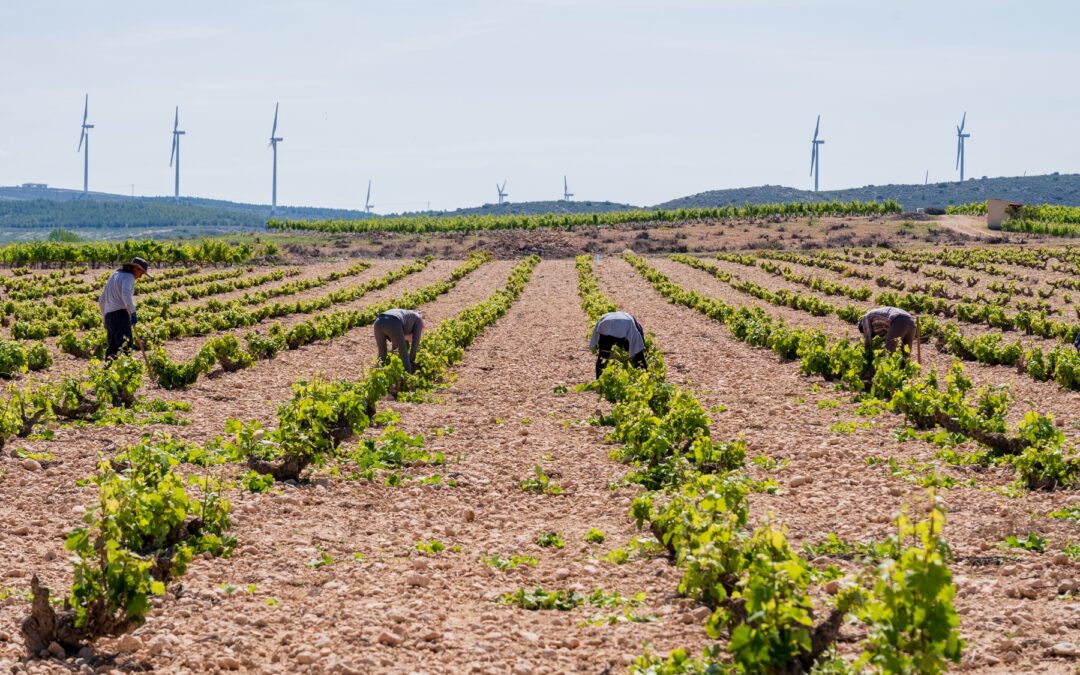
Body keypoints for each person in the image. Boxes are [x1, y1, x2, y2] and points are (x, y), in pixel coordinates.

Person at [98, 257, 150, 359]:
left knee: (112, 349)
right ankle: (127, 373)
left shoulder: (114, 275)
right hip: (120, 315)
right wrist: (133, 312)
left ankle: (108, 373)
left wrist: (105, 318)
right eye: (142, 273)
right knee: (125, 347)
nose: (141, 276)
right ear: (135, 268)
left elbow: (101, 300)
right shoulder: (129, 277)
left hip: (109, 316)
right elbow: (125, 293)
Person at [589, 311, 647, 379]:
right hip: (624, 324)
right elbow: (638, 348)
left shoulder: (628, 319)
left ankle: (599, 381)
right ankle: (644, 377)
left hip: (606, 323)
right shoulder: (637, 328)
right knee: (639, 357)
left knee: (603, 356)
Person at [374, 308, 423, 374]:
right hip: (393, 322)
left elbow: (396, 346)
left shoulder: (407, 315)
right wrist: (411, 361)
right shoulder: (419, 319)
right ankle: (408, 380)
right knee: (403, 354)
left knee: (382, 354)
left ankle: (376, 374)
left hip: (378, 321)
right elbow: (415, 342)